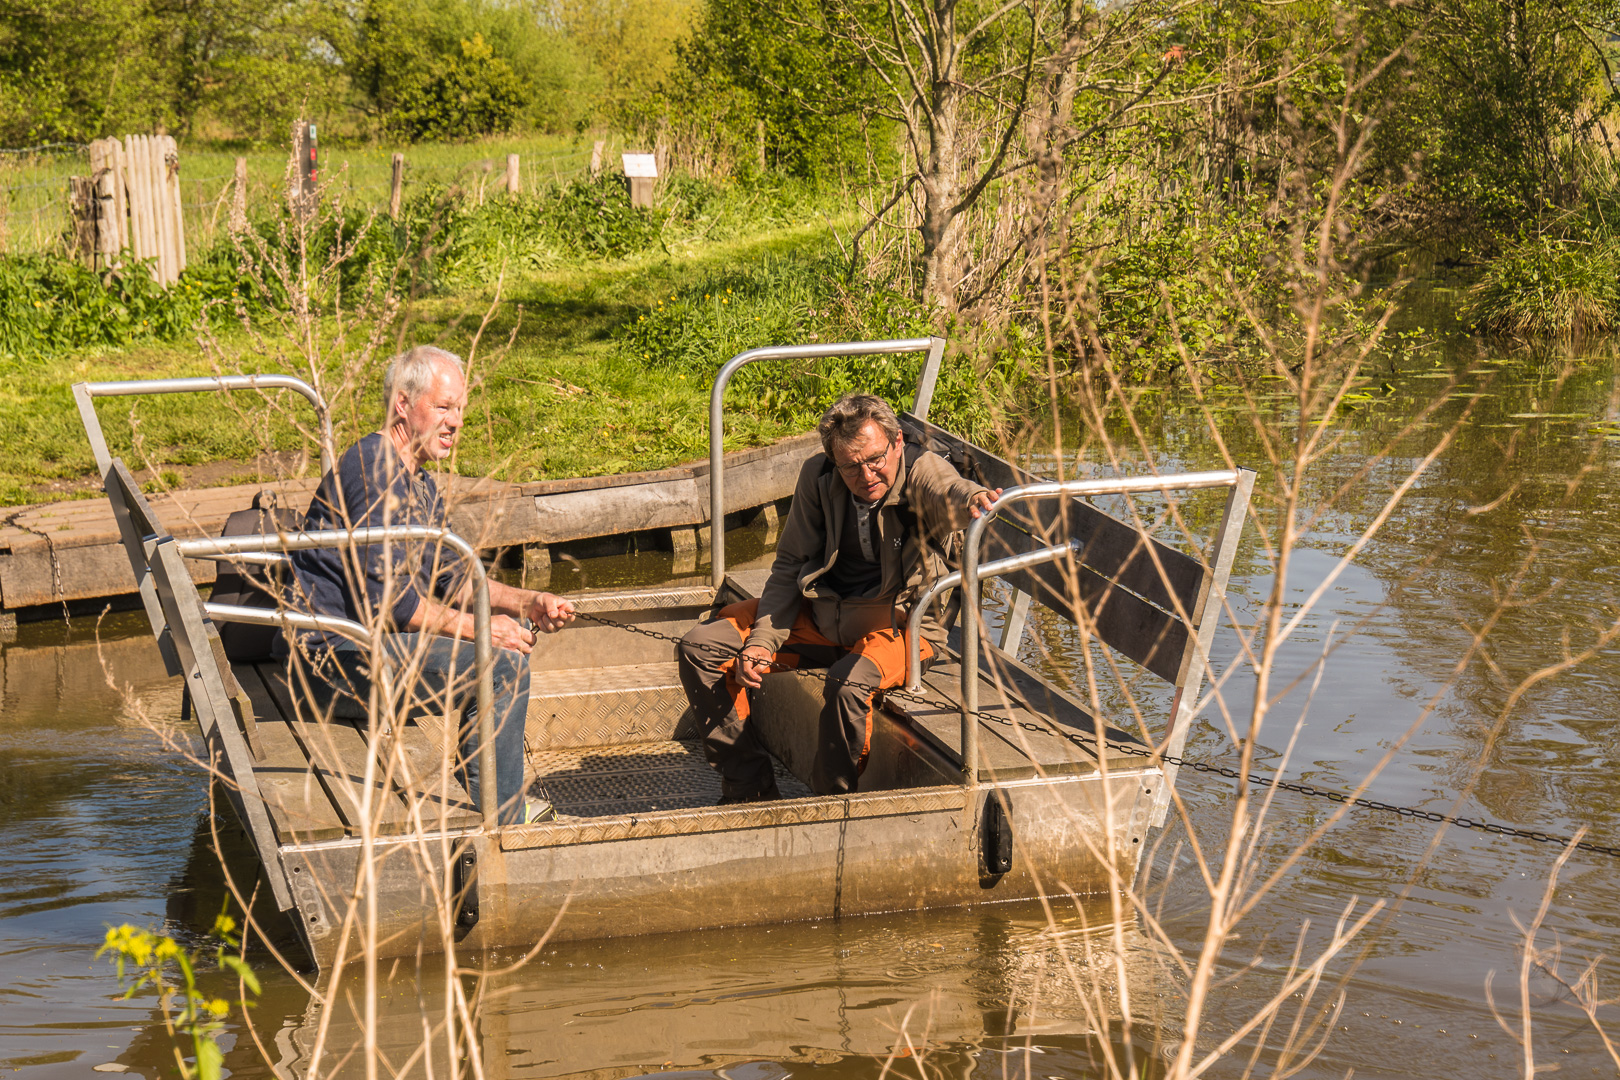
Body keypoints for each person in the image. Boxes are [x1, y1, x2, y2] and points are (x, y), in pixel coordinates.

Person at [279, 345, 575, 825]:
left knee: (499, 651)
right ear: (402, 403)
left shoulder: (418, 482)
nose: (456, 421)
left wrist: (528, 602)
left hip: (367, 649)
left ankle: (493, 796)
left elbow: (455, 578)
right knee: (500, 667)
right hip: (329, 660)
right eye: (443, 407)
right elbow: (394, 607)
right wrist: (483, 630)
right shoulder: (374, 473)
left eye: (459, 409)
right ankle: (503, 816)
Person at [678, 393, 1000, 801]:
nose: (866, 475)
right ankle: (749, 786)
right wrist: (761, 642)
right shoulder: (817, 476)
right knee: (701, 646)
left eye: (875, 459)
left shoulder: (922, 469)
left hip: (899, 631)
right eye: (850, 466)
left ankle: (828, 804)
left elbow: (948, 489)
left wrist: (973, 498)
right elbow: (790, 563)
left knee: (848, 683)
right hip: (824, 617)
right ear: (834, 460)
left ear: (897, 442)